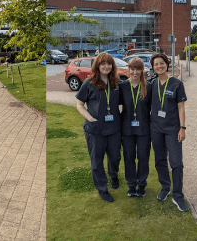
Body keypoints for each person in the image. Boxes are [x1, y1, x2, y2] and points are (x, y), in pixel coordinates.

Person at [75, 53, 122, 202]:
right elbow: (79, 104)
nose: (106, 67)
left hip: (113, 128)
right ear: (97, 65)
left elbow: (120, 102)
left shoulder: (115, 83)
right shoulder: (89, 83)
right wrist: (90, 118)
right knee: (97, 160)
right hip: (95, 130)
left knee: (115, 157)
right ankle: (102, 189)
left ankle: (114, 176)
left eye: (109, 64)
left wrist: (119, 111)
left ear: (112, 66)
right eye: (103, 64)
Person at [149, 53, 188, 211]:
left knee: (177, 163)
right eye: (156, 64)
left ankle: (178, 196)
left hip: (173, 129)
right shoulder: (151, 84)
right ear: (153, 67)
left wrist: (182, 128)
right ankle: (165, 187)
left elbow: (181, 107)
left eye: (161, 63)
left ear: (167, 64)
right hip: (156, 128)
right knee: (160, 161)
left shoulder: (176, 84)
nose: (159, 66)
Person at [119, 57, 152, 197]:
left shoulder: (148, 86)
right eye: (132, 69)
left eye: (138, 69)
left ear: (142, 70)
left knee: (143, 157)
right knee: (129, 156)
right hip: (127, 129)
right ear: (129, 70)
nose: (135, 72)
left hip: (144, 129)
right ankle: (132, 185)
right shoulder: (123, 86)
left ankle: (142, 184)